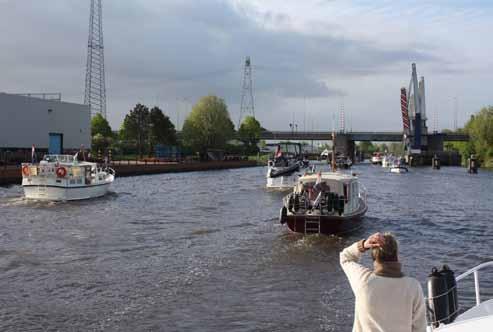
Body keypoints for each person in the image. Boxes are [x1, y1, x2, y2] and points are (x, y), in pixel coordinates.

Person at [340, 232, 426, 332]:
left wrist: (363, 245)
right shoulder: (413, 287)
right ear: (396, 255)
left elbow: (345, 257)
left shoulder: (363, 280)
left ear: (374, 257)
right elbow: (419, 329)